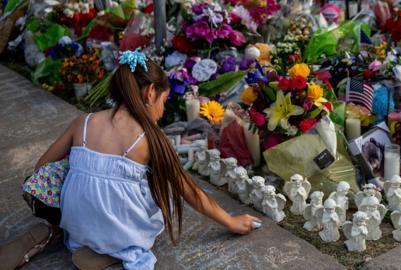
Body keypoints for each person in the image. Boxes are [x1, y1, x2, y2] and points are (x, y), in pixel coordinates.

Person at [0, 50, 261, 270]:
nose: (161, 111)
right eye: (163, 101)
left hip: (76, 224)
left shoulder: (84, 121)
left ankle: (62, 229)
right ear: (149, 93)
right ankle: (118, 245)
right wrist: (230, 221)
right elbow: (189, 191)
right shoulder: (150, 139)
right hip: (122, 229)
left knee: (75, 168)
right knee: (158, 194)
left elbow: (41, 168)